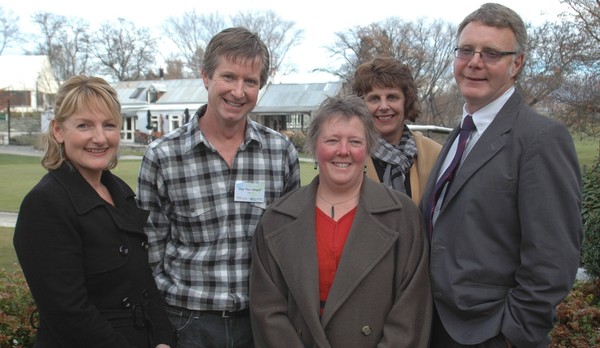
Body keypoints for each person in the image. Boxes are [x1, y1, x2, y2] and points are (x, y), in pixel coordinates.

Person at [420, 3, 582, 348]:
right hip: (434, 326)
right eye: (466, 50)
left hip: (490, 332)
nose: (475, 62)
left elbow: (553, 259)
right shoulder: (460, 134)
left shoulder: (541, 139)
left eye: (491, 53)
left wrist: (513, 335)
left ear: (517, 63)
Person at [137, 27, 301, 348]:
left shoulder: (280, 153)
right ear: (206, 77)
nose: (238, 92)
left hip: (259, 323)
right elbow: (150, 251)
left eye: (250, 81)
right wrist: (159, 328)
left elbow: (290, 243)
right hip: (186, 323)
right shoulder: (163, 156)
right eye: (229, 77)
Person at [250, 94, 432, 348]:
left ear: (368, 148)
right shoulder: (277, 220)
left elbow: (411, 313)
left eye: (355, 141)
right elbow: (267, 310)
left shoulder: (403, 218)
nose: (343, 151)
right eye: (332, 140)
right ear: (314, 147)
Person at [13, 75, 176, 347]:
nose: (100, 138)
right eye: (84, 125)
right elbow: (68, 313)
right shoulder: (45, 204)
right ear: (58, 130)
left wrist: (163, 337)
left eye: (109, 125)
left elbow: (143, 280)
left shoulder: (120, 192)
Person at [352, 57, 442, 205]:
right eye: (374, 99)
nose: (384, 106)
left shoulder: (434, 155)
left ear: (406, 101)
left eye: (392, 97)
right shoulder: (349, 153)